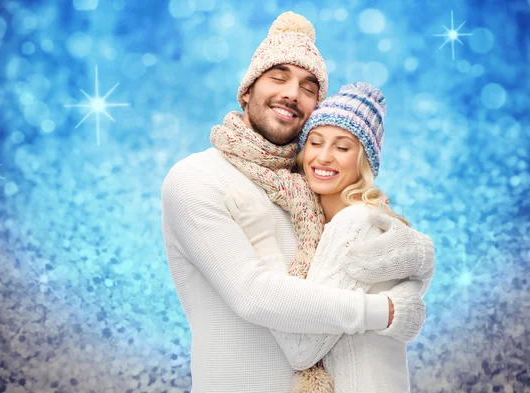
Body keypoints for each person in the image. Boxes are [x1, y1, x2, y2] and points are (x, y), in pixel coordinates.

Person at [161, 11, 429, 393]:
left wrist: (416, 260)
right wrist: (387, 311)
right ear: (248, 89)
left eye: (308, 87)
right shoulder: (197, 178)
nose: (292, 93)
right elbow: (253, 295)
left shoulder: (313, 188)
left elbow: (359, 257)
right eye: (278, 76)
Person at [215, 82, 435, 392]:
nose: (324, 157)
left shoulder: (355, 222)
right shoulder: (351, 221)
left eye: (342, 147)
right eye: (315, 143)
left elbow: (302, 349)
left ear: (364, 162)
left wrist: (262, 238)